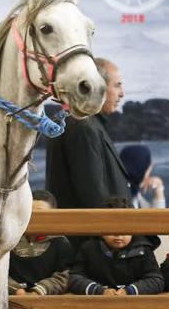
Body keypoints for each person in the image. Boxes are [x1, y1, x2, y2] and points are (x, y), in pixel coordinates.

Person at [45, 58, 128, 210]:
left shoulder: (83, 123)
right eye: (117, 85)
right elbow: (93, 196)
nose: (122, 93)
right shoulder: (82, 127)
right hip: (99, 231)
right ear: (95, 87)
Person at [119, 143, 166, 208]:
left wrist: (158, 187)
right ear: (141, 169)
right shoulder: (125, 200)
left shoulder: (130, 192)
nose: (151, 168)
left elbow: (153, 214)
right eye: (149, 165)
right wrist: (159, 189)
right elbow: (157, 217)